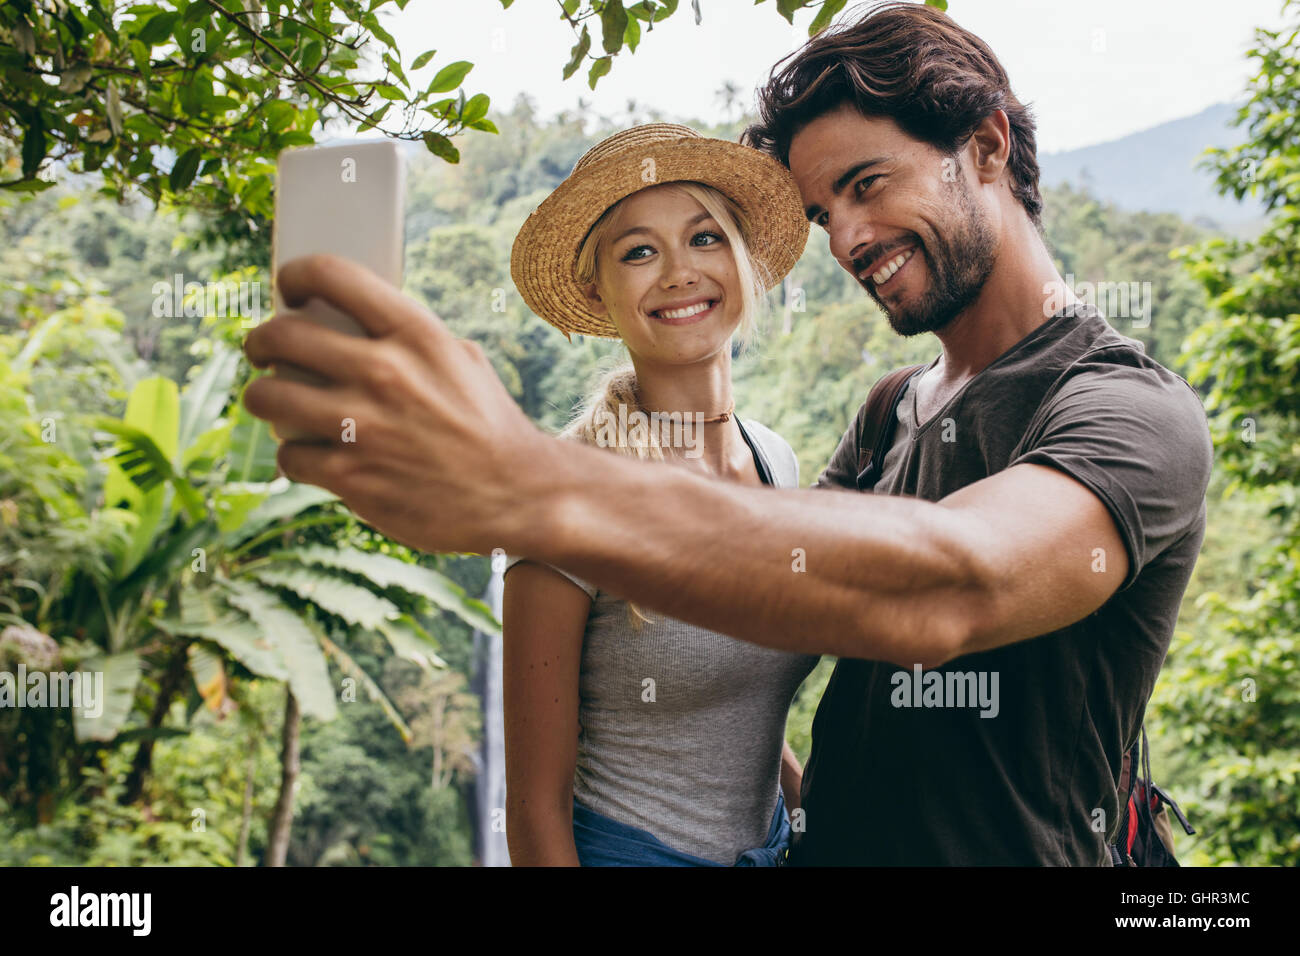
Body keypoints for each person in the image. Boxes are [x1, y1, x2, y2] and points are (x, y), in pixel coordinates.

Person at [242, 1, 1212, 865]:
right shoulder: (888, 409)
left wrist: (531, 481)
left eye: (869, 184)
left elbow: (955, 581)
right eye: (823, 212)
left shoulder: (1125, 410)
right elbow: (776, 592)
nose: (848, 239)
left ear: (988, 146)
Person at [500, 124, 817, 867]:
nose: (679, 273)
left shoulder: (776, 461)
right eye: (639, 251)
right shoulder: (570, 499)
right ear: (594, 289)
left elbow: (738, 713)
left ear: (746, 261)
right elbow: (534, 814)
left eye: (705, 239)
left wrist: (817, 818)